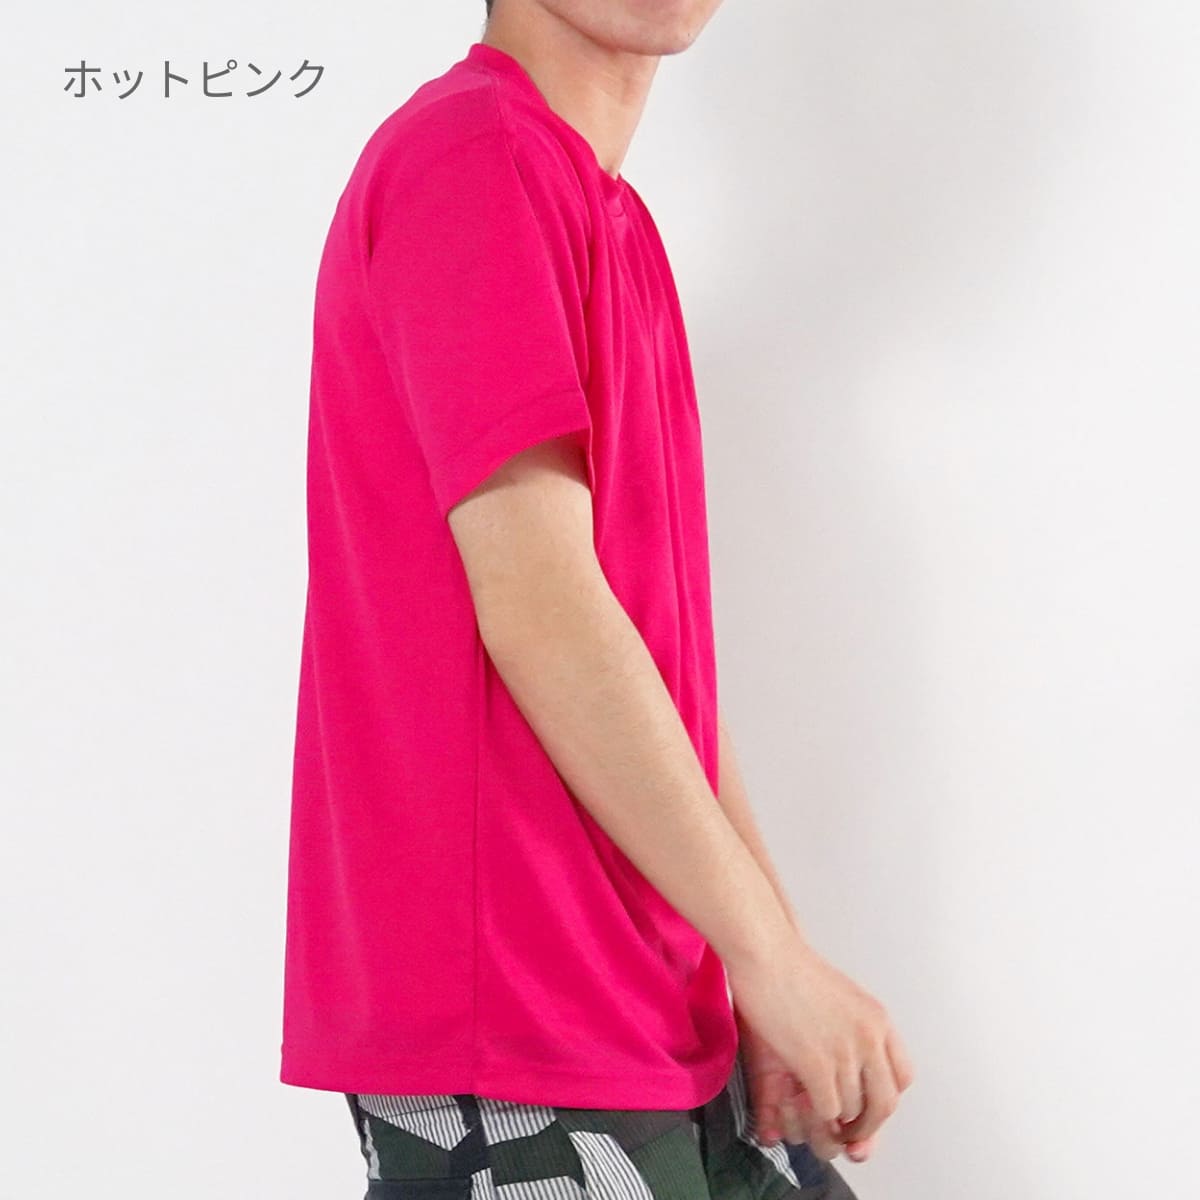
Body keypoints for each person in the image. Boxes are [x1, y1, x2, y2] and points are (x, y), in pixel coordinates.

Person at [279, 1, 915, 1195]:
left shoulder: (604, 213)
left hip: (649, 1008)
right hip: (519, 1016)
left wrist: (761, 962)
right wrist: (765, 953)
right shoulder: (474, 160)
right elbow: (541, 600)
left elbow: (658, 668)